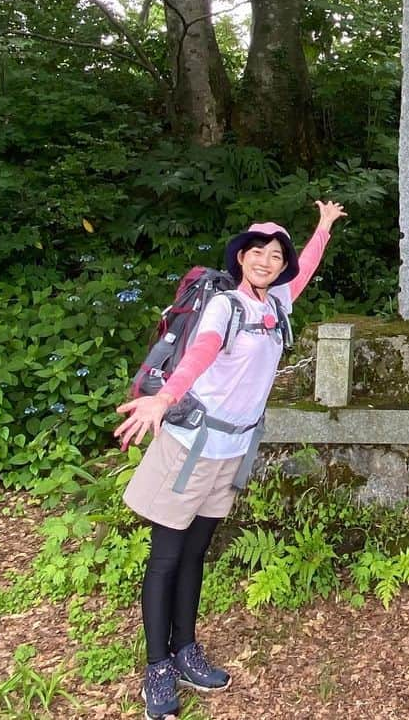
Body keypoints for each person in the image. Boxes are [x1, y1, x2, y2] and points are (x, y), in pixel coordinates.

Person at [115, 200, 347, 720]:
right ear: (241, 257)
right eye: (257, 252)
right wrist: (164, 397)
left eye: (275, 255)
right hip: (190, 445)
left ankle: (185, 650)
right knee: (167, 556)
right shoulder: (226, 307)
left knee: (196, 553)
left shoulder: (279, 304)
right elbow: (198, 355)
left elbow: (307, 265)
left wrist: (323, 229)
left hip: (233, 449)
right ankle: (157, 667)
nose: (267, 261)